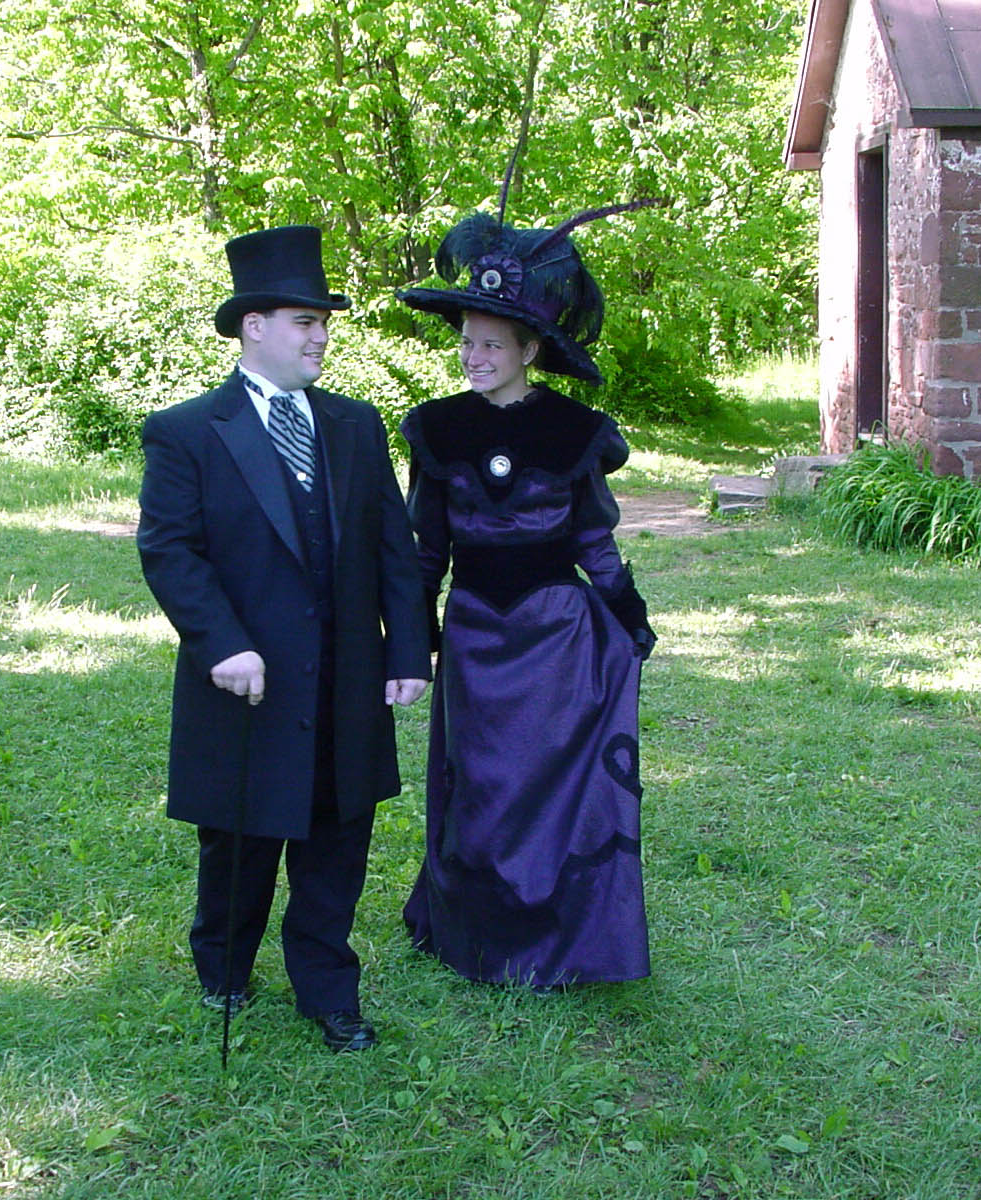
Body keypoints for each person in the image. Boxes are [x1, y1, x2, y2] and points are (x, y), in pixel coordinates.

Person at [136, 224, 430, 1052]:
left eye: (324, 322)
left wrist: (408, 649)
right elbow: (171, 549)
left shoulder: (356, 425)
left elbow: (394, 546)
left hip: (346, 675)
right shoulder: (188, 431)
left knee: (339, 834)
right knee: (242, 836)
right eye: (305, 321)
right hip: (247, 676)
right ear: (254, 326)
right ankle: (224, 966)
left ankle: (329, 990)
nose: (321, 336)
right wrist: (221, 643)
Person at [394, 208, 658, 990]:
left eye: (491, 345)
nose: (474, 357)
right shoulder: (438, 430)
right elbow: (425, 554)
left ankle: (557, 933)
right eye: (467, 342)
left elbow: (594, 543)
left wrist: (630, 620)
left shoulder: (575, 431)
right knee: (481, 783)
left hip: (556, 640)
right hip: (475, 635)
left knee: (548, 784)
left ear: (528, 351)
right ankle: (480, 931)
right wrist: (414, 638)